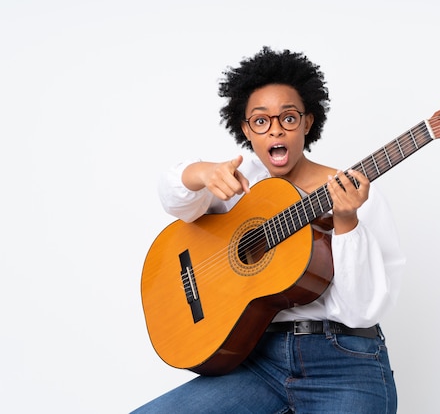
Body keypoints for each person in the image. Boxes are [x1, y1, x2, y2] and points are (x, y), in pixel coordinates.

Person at [133, 47, 406, 414]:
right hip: (258, 361)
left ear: (307, 122)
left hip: (345, 364)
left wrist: (346, 223)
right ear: (246, 129)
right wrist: (201, 172)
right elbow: (175, 199)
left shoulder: (354, 194)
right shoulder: (243, 183)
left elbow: (361, 312)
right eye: (260, 121)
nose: (275, 128)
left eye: (288, 118)